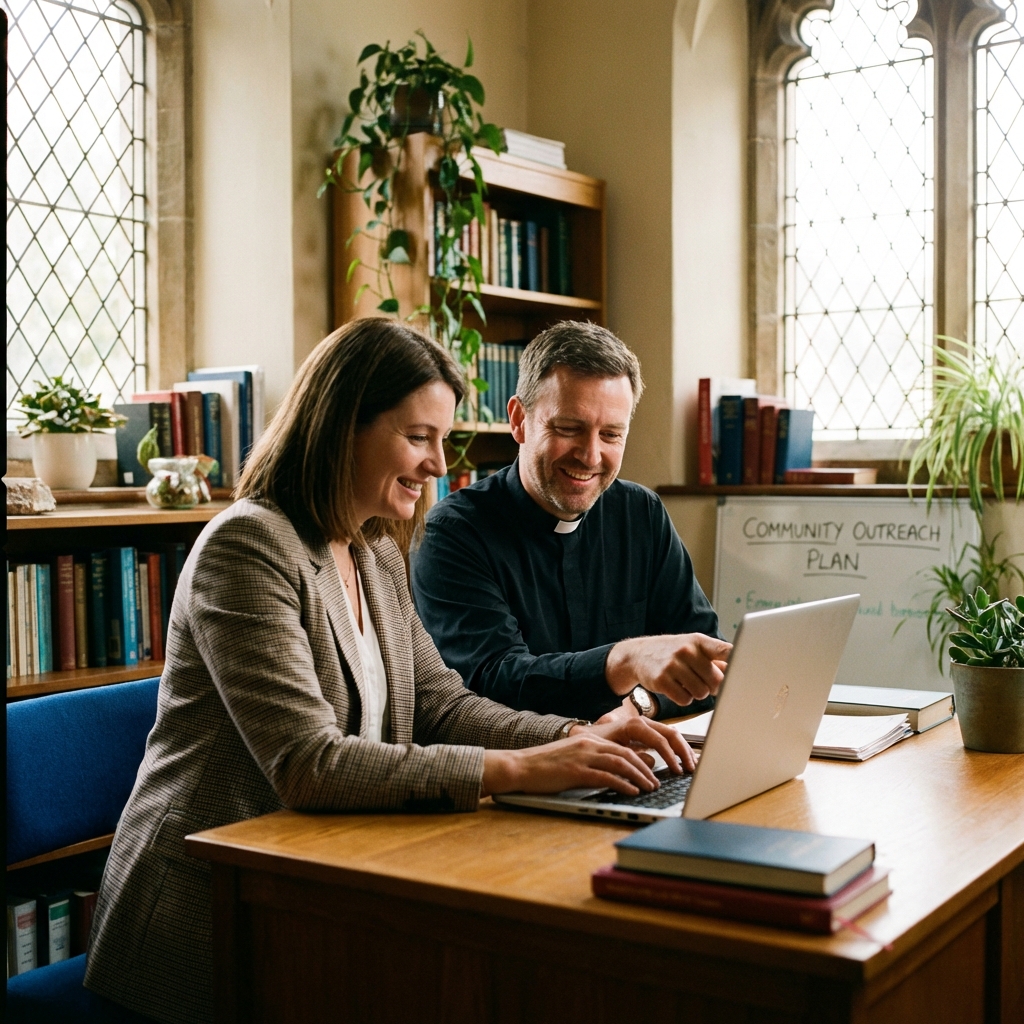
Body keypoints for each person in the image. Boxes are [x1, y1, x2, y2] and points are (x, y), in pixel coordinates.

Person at [83, 319, 693, 1024]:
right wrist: (522, 770)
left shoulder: (373, 549)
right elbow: (308, 763)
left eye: (443, 440)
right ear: (343, 425)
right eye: (419, 438)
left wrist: (580, 738)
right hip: (209, 920)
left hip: (323, 886)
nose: (439, 464)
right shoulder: (248, 548)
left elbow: (443, 704)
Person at [410, 320, 732, 725]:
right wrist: (622, 662)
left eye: (611, 435)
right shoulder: (453, 533)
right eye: (568, 429)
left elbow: (707, 663)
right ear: (519, 420)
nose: (591, 455)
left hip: (638, 757)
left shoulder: (641, 513)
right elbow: (490, 682)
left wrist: (638, 707)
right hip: (516, 774)